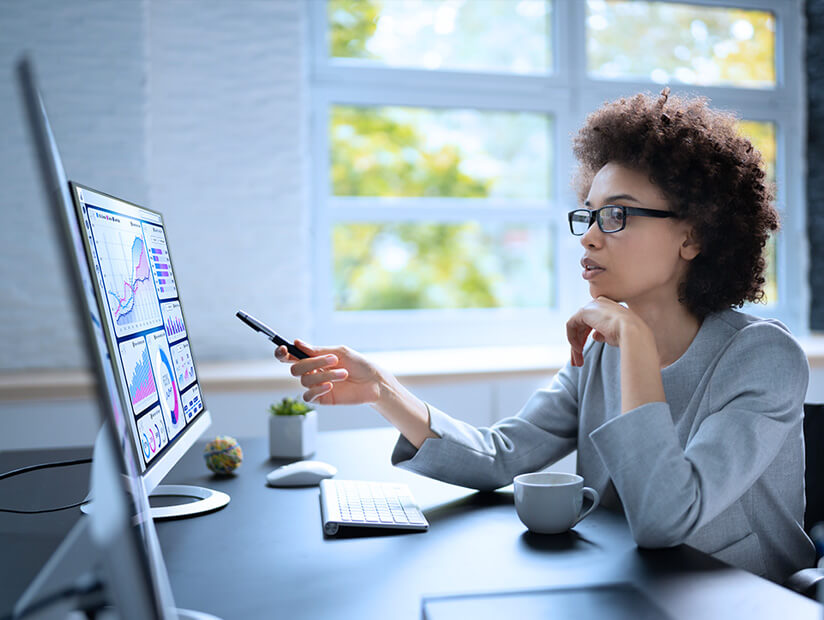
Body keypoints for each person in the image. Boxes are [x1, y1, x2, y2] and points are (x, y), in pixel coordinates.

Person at [275, 88, 814, 584]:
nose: (592, 238)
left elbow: (665, 519)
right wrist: (383, 391)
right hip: (628, 586)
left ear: (693, 236)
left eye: (618, 215)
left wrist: (638, 348)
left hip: (738, 598)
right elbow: (500, 455)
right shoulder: (605, 347)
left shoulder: (763, 357)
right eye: (590, 215)